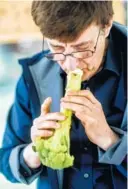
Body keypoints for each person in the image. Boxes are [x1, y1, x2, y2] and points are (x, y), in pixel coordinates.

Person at [0, 1, 127, 189]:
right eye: (58, 49)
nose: (71, 66)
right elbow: (7, 166)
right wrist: (37, 149)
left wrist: (109, 139)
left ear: (106, 25)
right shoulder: (33, 76)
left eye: (83, 49)